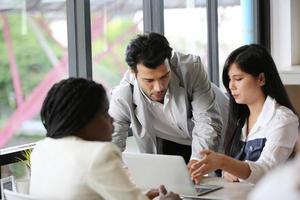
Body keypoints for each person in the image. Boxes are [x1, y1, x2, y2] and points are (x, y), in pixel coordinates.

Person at [29, 78, 181, 200]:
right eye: (105, 113)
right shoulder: (99, 154)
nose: (112, 120)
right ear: (83, 120)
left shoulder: (41, 149)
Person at [109, 32, 228, 165]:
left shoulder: (191, 69)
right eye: (149, 80)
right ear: (133, 73)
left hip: (225, 130)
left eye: (164, 76)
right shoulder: (123, 96)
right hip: (174, 140)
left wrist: (197, 162)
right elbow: (112, 146)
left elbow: (208, 122)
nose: (159, 87)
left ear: (169, 62)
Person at [189, 44, 299, 184]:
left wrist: (224, 162)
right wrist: (226, 170)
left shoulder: (283, 119)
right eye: (229, 79)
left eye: (238, 79)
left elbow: (266, 172)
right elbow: (229, 175)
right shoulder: (239, 120)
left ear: (261, 79)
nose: (231, 86)